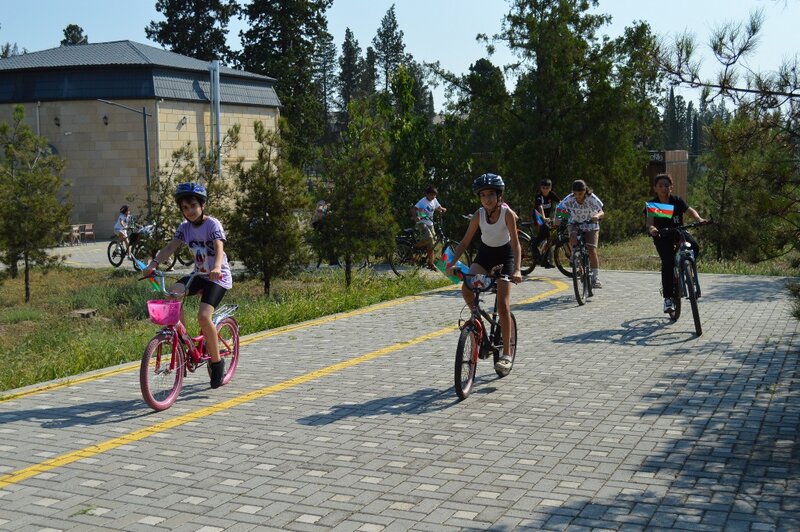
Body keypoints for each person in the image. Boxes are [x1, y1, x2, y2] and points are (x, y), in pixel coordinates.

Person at [142, 182, 232, 389]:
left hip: (218, 277)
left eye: (193, 206)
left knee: (203, 316)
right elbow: (170, 247)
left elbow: (219, 247)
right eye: (185, 208)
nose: (189, 211)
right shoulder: (184, 228)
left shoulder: (213, 224)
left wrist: (217, 266)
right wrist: (153, 264)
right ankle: (183, 341)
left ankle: (217, 363)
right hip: (199, 274)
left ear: (202, 205)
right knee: (173, 293)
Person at [446, 173, 522, 372]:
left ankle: (506, 354)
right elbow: (464, 242)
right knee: (467, 286)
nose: (487, 199)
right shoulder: (478, 215)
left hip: (505, 256)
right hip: (485, 255)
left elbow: (515, 243)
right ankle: (475, 318)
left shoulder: (508, 214)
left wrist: (517, 269)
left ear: (499, 196)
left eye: (491, 194)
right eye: (483, 195)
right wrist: (451, 263)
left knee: (503, 305)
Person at [646, 173, 706, 313]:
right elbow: (649, 223)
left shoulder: (676, 201)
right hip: (662, 236)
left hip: (679, 232)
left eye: (667, 185)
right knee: (668, 263)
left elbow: (689, 211)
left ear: (671, 188)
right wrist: (652, 229)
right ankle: (668, 299)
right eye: (660, 185)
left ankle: (686, 270)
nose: (664, 188)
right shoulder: (653, 205)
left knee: (694, 247)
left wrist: (698, 218)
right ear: (655, 188)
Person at [555, 179, 605, 288]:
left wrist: (597, 216)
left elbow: (601, 211)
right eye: (575, 193)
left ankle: (595, 278)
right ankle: (574, 253)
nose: (578, 196)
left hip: (590, 224)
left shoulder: (591, 198)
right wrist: (558, 218)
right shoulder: (569, 199)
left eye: (580, 193)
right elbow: (559, 209)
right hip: (575, 222)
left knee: (591, 249)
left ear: (585, 191)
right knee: (572, 236)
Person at [414, 186, 447, 270]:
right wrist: (415, 217)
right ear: (427, 194)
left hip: (430, 223)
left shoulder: (434, 200)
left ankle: (430, 263)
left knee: (432, 244)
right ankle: (415, 247)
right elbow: (414, 209)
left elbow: (437, 207)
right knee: (429, 238)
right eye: (432, 195)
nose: (433, 197)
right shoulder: (422, 201)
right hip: (422, 222)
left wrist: (442, 209)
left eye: (435, 195)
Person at [532, 178, 561, 268]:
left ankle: (545, 260)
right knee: (543, 233)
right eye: (543, 188)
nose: (545, 190)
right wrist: (543, 217)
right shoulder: (539, 196)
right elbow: (540, 207)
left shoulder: (551, 194)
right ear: (540, 188)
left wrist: (564, 214)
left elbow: (560, 202)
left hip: (546, 218)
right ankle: (534, 247)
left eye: (547, 188)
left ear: (550, 188)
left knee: (550, 239)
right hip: (538, 216)